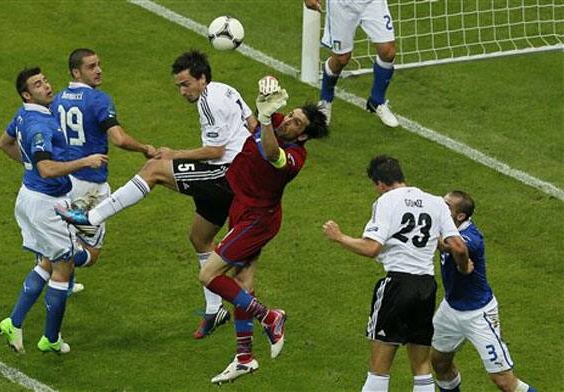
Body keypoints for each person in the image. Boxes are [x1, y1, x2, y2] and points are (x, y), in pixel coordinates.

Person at [56, 50, 258, 338]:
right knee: (199, 238)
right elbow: (253, 126)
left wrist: (175, 153)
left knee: (154, 170)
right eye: (178, 86)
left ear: (202, 78)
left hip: (225, 175)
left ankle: (92, 217)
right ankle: (215, 310)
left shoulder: (208, 102)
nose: (181, 91)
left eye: (185, 84)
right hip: (238, 174)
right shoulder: (227, 90)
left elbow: (215, 152)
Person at [198, 76, 329, 384]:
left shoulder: (295, 157)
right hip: (241, 208)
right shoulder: (280, 122)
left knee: (208, 275)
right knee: (242, 284)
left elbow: (271, 152)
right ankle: (245, 357)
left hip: (257, 220)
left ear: (304, 136)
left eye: (297, 123)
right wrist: (264, 90)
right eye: (292, 115)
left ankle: (270, 317)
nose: (290, 121)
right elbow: (257, 117)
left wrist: (267, 118)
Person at [322, 155, 470, 392]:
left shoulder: (386, 201)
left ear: (380, 183)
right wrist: (464, 267)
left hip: (397, 286)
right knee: (421, 366)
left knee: (379, 366)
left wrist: (340, 237)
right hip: (426, 287)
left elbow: (372, 248)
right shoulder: (435, 202)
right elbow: (459, 247)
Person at [0, 67, 108, 353]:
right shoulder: (39, 126)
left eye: (45, 80)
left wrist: (29, 167)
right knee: (67, 264)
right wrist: (85, 162)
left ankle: (15, 322)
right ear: (26, 94)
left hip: (32, 197)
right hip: (45, 205)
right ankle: (50, 339)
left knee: (50, 261)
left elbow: (4, 142)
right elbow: (46, 168)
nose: (46, 86)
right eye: (38, 84)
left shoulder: (25, 113)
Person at [52, 48, 156, 294]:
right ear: (76, 72)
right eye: (91, 67)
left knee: (70, 239)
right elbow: (118, 139)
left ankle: (59, 278)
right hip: (90, 182)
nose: (98, 70)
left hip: (65, 177)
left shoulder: (56, 98)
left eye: (98, 64)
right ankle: (49, 269)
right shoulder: (99, 100)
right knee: (91, 252)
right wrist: (145, 148)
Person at [430, 191, 536, 392]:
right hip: (450, 309)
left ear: (460, 216)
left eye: (447, 206)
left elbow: (456, 248)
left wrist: (462, 266)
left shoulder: (472, 238)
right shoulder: (445, 226)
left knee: (505, 382)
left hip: (479, 314)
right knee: (440, 363)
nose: (441, 209)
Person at [304, 0, 399, 127]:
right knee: (341, 59)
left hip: (372, 3)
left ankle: (377, 101)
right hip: (342, 5)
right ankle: (326, 99)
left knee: (388, 52)